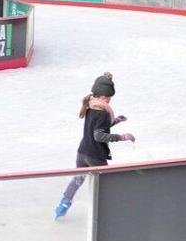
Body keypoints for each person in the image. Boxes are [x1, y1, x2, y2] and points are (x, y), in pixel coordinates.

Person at [55, 73, 134, 219]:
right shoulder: (103, 113)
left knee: (78, 178)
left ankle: (63, 205)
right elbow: (99, 135)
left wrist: (116, 121)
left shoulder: (90, 106)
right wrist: (122, 137)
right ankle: (109, 212)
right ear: (104, 97)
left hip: (83, 151)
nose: (110, 100)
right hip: (95, 155)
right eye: (109, 97)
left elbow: (97, 128)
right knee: (106, 183)